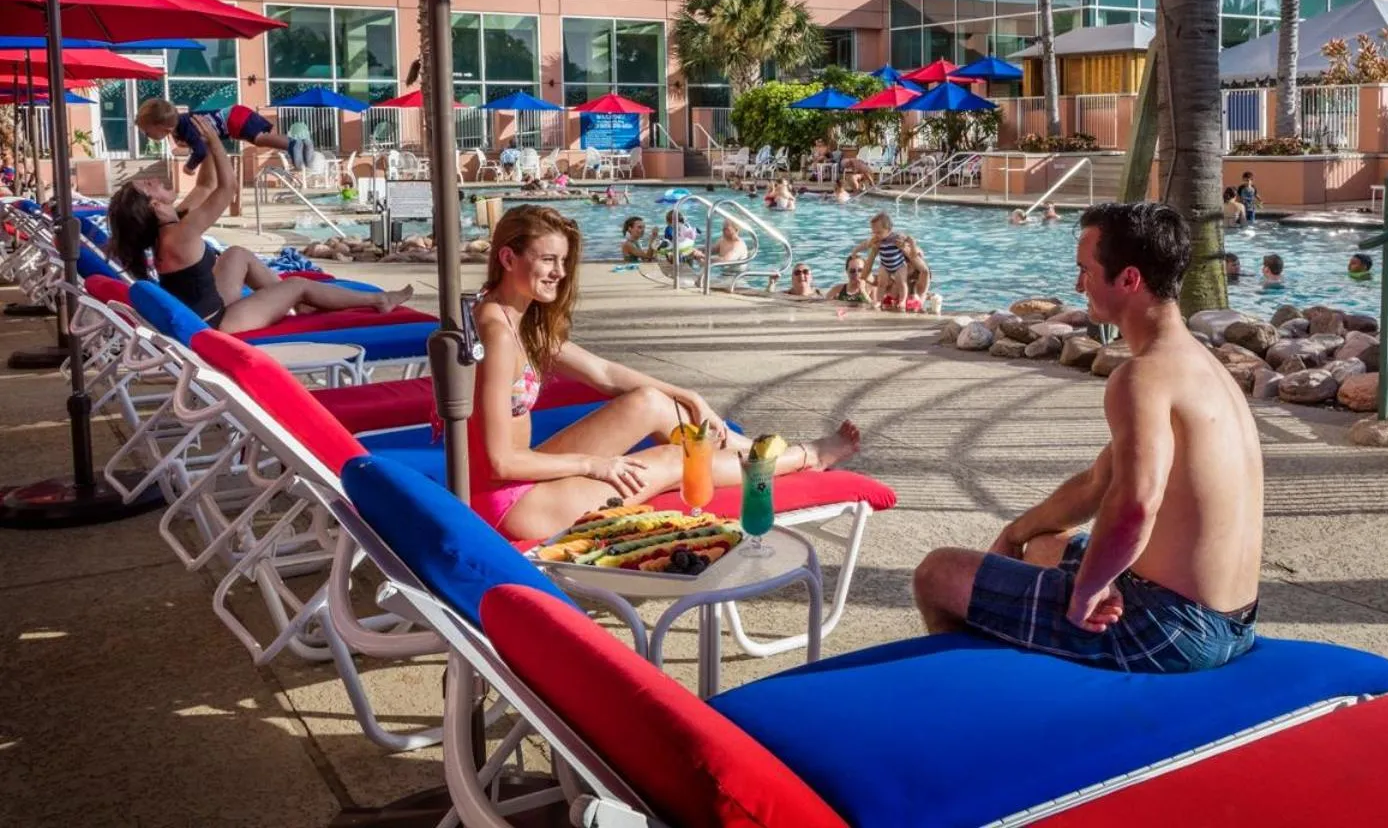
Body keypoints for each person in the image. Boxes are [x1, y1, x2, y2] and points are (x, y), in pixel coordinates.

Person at [912, 202, 1263, 673]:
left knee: (938, 573)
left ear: (1129, 280)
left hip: (1169, 630)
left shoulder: (1142, 377)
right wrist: (1016, 533)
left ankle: (980, 700)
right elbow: (1099, 483)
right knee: (1043, 546)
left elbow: (1137, 503)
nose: (1078, 286)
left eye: (1086, 272)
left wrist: (1087, 592)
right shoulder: (1202, 368)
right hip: (1233, 621)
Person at [469, 204, 862, 538]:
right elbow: (501, 461)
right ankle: (803, 456)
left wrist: (688, 396)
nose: (560, 272)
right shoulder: (499, 335)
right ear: (508, 258)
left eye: (563, 261)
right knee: (678, 460)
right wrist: (595, 465)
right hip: (512, 505)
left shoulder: (513, 316)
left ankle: (755, 451)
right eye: (548, 260)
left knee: (648, 402)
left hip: (520, 480)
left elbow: (603, 373)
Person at [107, 114, 411, 331]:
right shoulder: (181, 235)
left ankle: (299, 303)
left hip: (208, 309)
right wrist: (214, 141)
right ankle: (378, 300)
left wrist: (204, 141)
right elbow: (226, 190)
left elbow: (206, 186)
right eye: (148, 185)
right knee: (298, 283)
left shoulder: (175, 226)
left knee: (236, 254)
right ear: (156, 205)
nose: (154, 180)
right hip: (218, 324)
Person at [136, 96, 314, 173]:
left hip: (233, 119)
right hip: (234, 117)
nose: (147, 136)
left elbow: (201, 151)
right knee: (260, 138)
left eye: (147, 132)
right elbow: (197, 144)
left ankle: (293, 144)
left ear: (161, 127)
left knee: (259, 139)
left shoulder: (186, 128)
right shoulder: (180, 125)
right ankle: (299, 144)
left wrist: (189, 167)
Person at [858, 212, 910, 307]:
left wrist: (905, 244)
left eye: (879, 232)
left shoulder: (896, 237)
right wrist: (855, 251)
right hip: (885, 265)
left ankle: (902, 300)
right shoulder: (877, 240)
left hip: (899, 265)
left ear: (889, 229)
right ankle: (878, 300)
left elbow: (908, 239)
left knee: (902, 282)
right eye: (874, 232)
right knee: (881, 283)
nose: (876, 235)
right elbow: (865, 244)